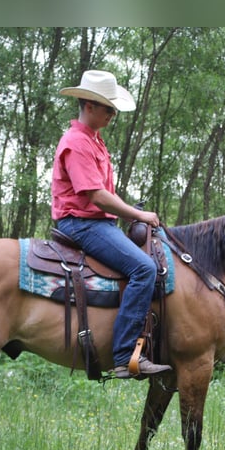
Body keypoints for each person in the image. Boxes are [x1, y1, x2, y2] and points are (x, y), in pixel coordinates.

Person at [51, 70, 172, 379]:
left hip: (95, 222)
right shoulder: (77, 142)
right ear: (89, 105)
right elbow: (96, 196)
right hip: (81, 223)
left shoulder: (95, 141)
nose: (113, 114)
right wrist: (138, 214)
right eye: (108, 108)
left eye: (114, 108)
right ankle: (124, 356)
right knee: (144, 268)